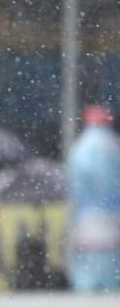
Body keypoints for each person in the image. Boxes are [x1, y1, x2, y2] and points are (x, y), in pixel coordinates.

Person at [65, 104, 120, 291]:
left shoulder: (80, 147)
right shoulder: (114, 146)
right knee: (111, 272)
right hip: (114, 217)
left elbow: (75, 185)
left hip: (86, 217)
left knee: (87, 275)